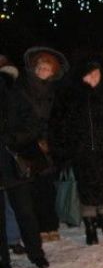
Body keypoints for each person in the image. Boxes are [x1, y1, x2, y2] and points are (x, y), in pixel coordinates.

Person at [49, 58, 103, 245]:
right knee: (87, 190)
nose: (93, 77)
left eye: (96, 73)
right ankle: (90, 226)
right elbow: (59, 125)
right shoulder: (71, 96)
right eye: (89, 74)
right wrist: (63, 151)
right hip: (82, 153)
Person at [15, 46, 69, 242]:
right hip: (29, 145)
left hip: (49, 146)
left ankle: (51, 225)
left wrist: (52, 139)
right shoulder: (22, 88)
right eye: (40, 68)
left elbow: (59, 118)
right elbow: (20, 117)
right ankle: (37, 228)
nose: (43, 72)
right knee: (33, 189)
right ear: (34, 68)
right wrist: (34, 138)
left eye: (47, 69)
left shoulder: (55, 91)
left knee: (48, 188)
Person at [1, 69, 50, 268]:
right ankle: (3, 259)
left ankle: (36, 253)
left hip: (12, 161)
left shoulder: (11, 93)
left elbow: (32, 124)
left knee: (25, 211)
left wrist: (13, 139)